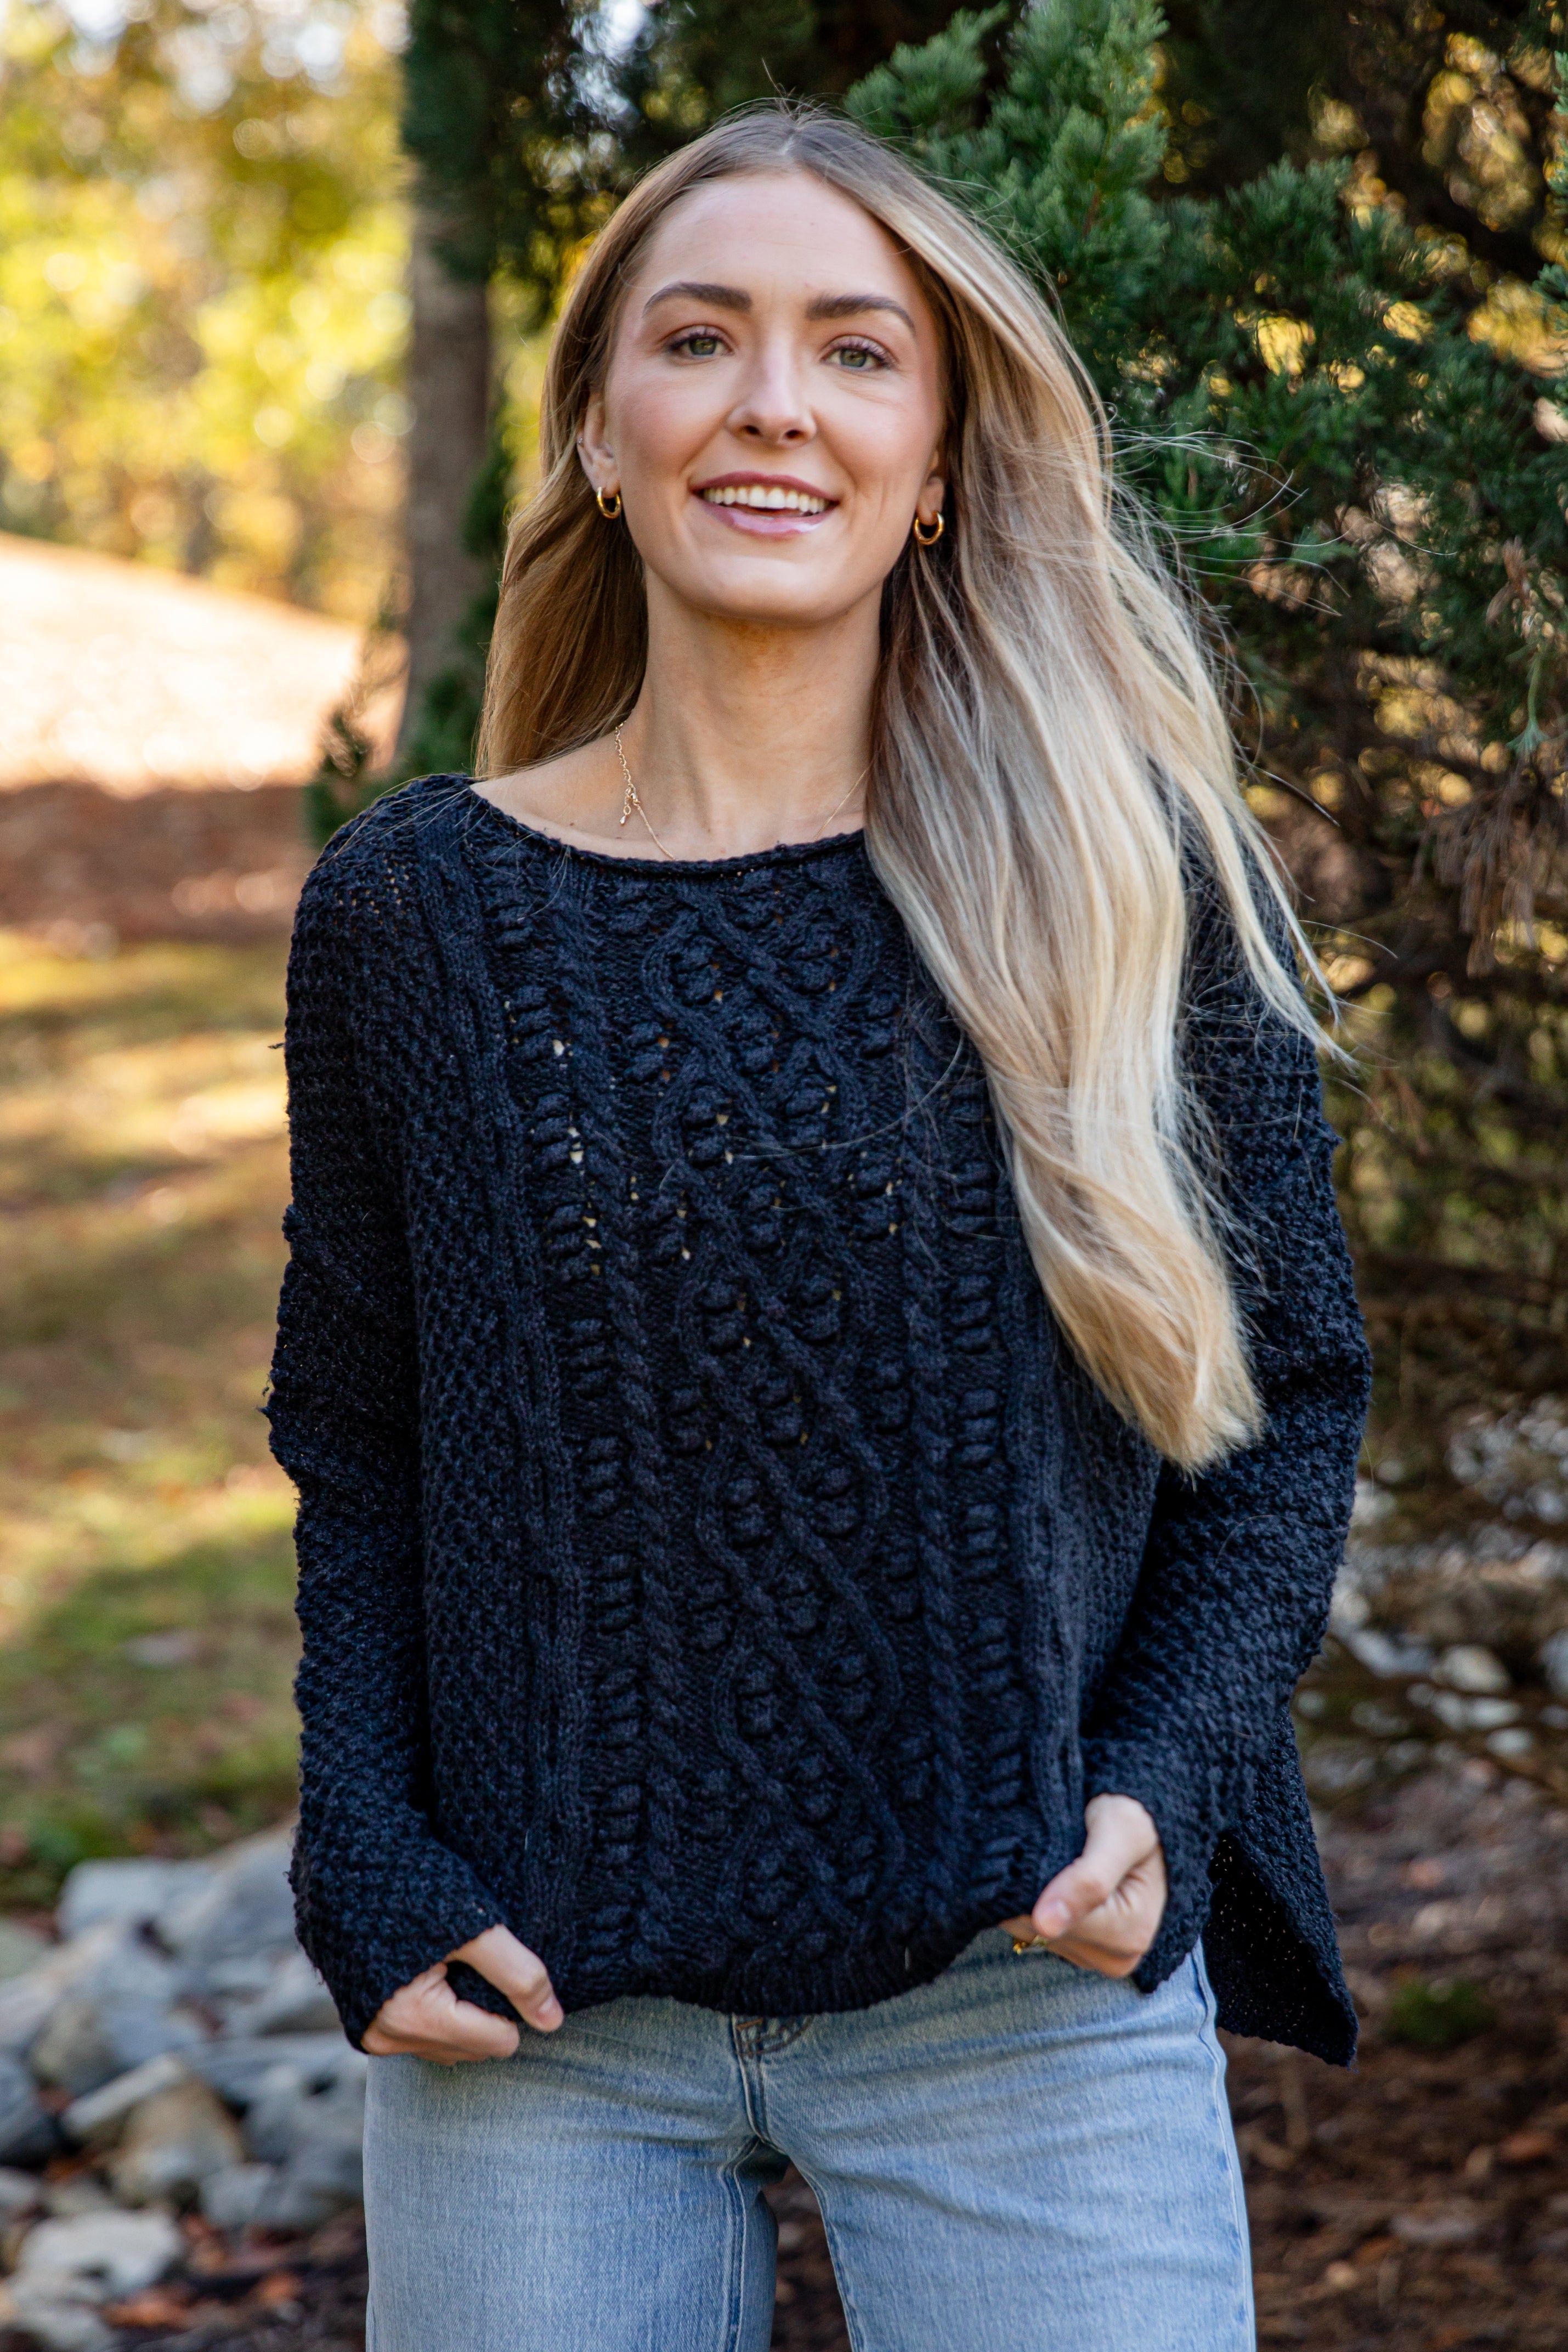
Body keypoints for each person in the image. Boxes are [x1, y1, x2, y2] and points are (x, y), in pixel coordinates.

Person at [267, 102, 1371, 2352]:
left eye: (858, 353)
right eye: (704, 337)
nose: (777, 402)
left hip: (1020, 2004)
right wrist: (359, 1855)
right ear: (593, 425)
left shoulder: (1128, 886)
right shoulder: (411, 918)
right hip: (538, 2019)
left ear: (942, 454)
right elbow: (363, 1448)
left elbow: (1280, 1406)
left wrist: (1171, 1770)